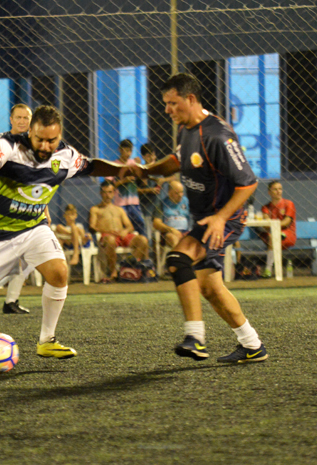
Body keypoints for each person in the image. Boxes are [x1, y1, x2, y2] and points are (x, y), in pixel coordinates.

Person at [0, 104, 130, 369]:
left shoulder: (65, 155)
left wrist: (124, 168)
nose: (45, 145)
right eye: (39, 139)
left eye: (51, 140)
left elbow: (92, 166)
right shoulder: (7, 146)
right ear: (29, 132)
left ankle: (47, 340)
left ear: (59, 136)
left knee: (58, 271)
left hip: (33, 227)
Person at [131, 72, 268, 363]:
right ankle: (252, 345)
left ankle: (195, 338)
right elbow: (176, 160)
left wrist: (220, 218)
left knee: (178, 259)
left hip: (224, 220)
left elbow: (249, 183)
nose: (167, 110)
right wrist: (146, 171)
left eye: (172, 103)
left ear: (190, 99)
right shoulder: (187, 129)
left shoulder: (217, 135)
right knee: (210, 288)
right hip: (204, 219)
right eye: (165, 103)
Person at [0, 103, 35, 314]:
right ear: (11, 120)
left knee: (30, 255)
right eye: (18, 117)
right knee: (1, 255)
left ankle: (11, 301)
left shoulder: (36, 146)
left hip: (26, 207)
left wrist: (42, 207)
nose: (22, 121)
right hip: (1, 208)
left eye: (26, 118)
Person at [89, 181, 149, 282]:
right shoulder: (95, 209)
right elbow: (92, 227)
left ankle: (128, 268)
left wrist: (125, 231)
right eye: (105, 192)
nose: (107, 195)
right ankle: (113, 272)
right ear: (100, 193)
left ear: (113, 193)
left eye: (110, 192)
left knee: (142, 240)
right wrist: (107, 231)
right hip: (108, 236)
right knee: (111, 240)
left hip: (122, 235)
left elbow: (130, 226)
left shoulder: (119, 209)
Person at [259, 180, 296, 278]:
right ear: (269, 192)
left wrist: (273, 225)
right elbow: (266, 223)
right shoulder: (265, 207)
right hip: (271, 235)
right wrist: (270, 223)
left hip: (288, 234)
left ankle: (268, 268)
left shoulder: (289, 204)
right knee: (272, 237)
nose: (278, 191)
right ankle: (270, 270)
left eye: (280, 189)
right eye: (275, 189)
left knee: (273, 237)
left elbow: (286, 222)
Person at [110, 139, 147, 236]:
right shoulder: (114, 165)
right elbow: (110, 186)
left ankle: (144, 244)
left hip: (134, 201)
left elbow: (144, 182)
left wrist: (140, 166)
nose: (127, 153)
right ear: (120, 150)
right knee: (123, 226)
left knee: (140, 223)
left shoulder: (134, 163)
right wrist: (123, 181)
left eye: (129, 151)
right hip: (120, 203)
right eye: (125, 150)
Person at [152, 180, 191, 249]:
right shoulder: (162, 204)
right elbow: (156, 223)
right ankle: (178, 258)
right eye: (177, 193)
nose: (180, 195)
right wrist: (171, 230)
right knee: (173, 238)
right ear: (169, 193)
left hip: (186, 232)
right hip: (169, 233)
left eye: (181, 192)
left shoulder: (186, 202)